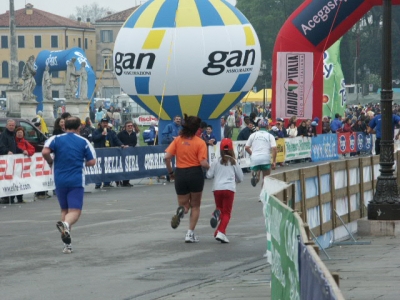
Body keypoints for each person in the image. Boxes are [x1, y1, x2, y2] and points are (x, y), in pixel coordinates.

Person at [42, 117, 96, 254]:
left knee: (64, 211)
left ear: (64, 126)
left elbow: (45, 152)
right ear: (79, 128)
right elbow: (92, 161)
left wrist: (50, 162)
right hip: (76, 180)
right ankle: (66, 225)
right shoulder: (83, 141)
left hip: (59, 179)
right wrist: (80, 162)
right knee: (75, 212)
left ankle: (68, 245)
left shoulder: (55, 139)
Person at [164, 114, 210, 243]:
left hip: (180, 173)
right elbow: (203, 163)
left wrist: (171, 172)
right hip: (195, 173)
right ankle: (190, 233)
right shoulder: (200, 142)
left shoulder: (178, 140)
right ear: (196, 129)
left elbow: (167, 157)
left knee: (184, 204)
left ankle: (181, 211)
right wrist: (211, 168)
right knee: (195, 205)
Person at [206, 138, 243, 243]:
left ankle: (217, 225)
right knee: (227, 213)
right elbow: (240, 177)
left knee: (220, 208)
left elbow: (209, 175)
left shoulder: (216, 161)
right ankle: (221, 232)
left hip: (217, 188)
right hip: (229, 188)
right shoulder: (233, 161)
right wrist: (236, 180)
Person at [245, 119, 277, 197]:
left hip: (255, 158)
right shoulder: (270, 136)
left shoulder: (253, 135)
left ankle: (255, 178)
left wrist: (252, 154)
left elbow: (246, 147)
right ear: (267, 126)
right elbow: (274, 148)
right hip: (265, 158)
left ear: (258, 126)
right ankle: (262, 196)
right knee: (266, 179)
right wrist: (274, 161)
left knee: (257, 174)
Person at [92, 118, 127, 189]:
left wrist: (121, 144)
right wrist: (101, 135)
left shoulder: (111, 132)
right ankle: (98, 183)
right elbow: (94, 139)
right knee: (99, 168)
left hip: (109, 152)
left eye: (106, 123)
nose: (105, 124)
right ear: (101, 124)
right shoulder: (96, 131)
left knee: (108, 167)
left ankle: (107, 182)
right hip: (100, 152)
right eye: (103, 123)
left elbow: (116, 139)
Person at [0, 120, 23, 204]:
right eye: (10, 125)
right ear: (6, 126)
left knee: (14, 179)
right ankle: (6, 198)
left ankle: (12, 197)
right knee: (7, 179)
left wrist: (22, 151)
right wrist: (7, 151)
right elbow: (1, 146)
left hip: (13, 161)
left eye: (13, 125)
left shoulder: (13, 134)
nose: (11, 127)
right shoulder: (3, 135)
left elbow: (15, 146)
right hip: (6, 161)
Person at [10, 127, 36, 204]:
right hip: (13, 164)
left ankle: (20, 198)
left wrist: (27, 152)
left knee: (20, 181)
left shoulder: (25, 142)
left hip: (21, 166)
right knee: (13, 181)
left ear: (23, 134)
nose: (19, 134)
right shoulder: (13, 141)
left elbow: (32, 149)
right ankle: (11, 197)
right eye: (18, 132)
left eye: (21, 132)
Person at [117, 121, 138, 187]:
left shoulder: (134, 134)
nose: (130, 127)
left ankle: (126, 181)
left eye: (131, 126)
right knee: (122, 167)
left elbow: (134, 142)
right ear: (125, 127)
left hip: (130, 152)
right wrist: (122, 145)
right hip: (122, 152)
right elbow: (117, 140)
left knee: (129, 166)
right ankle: (120, 180)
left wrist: (129, 146)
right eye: (128, 126)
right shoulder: (121, 133)